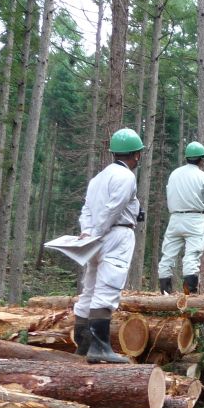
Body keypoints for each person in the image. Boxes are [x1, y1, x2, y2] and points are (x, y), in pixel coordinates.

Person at [72, 128, 145, 364]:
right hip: (115, 235)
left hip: (95, 237)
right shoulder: (126, 177)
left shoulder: (99, 178)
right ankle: (99, 347)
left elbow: (87, 209)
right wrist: (98, 232)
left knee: (90, 288)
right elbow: (112, 209)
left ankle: (82, 344)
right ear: (136, 155)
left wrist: (87, 232)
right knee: (108, 287)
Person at [157, 141, 204, 294]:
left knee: (168, 255)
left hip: (175, 219)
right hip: (195, 219)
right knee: (192, 256)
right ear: (202, 159)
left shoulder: (174, 174)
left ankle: (164, 295)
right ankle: (190, 297)